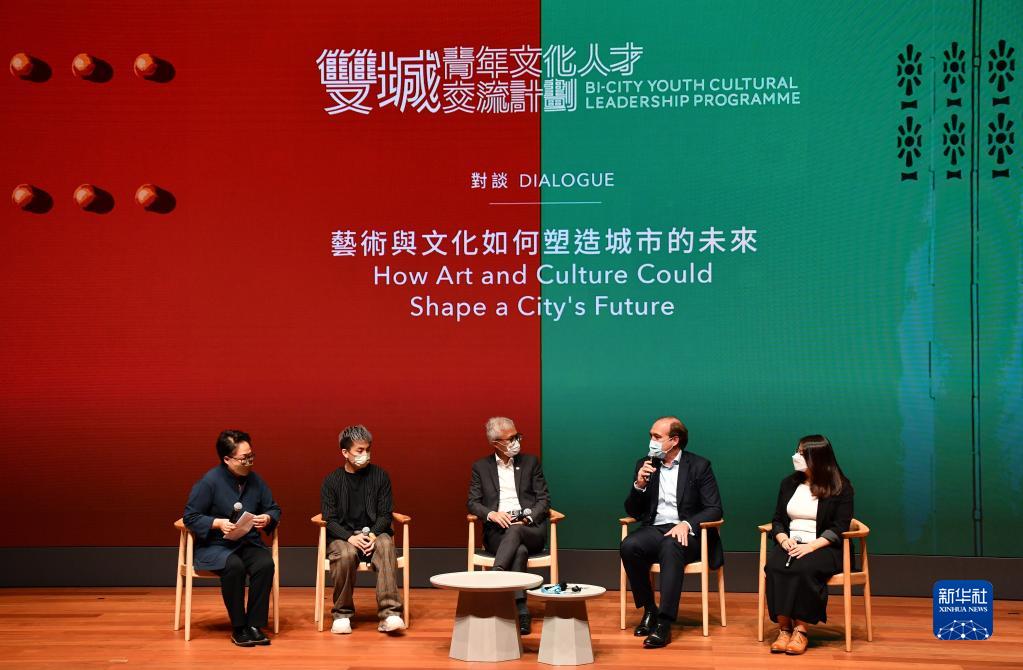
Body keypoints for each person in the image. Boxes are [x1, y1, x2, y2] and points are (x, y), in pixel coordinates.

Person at [619, 416, 723, 648]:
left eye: (657, 437)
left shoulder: (699, 466)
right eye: (651, 436)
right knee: (629, 545)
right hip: (655, 528)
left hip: (690, 535)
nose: (652, 441)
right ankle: (650, 609)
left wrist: (687, 524)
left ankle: (664, 623)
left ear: (674, 440)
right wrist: (639, 485)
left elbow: (714, 508)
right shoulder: (645, 464)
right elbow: (633, 511)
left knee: (671, 544)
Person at [183, 429, 281, 647]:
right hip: (215, 546)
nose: (249, 462)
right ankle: (239, 627)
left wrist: (267, 518)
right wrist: (217, 523)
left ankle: (254, 625)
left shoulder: (256, 480)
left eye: (251, 456)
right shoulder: (209, 482)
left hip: (247, 542)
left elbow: (274, 509)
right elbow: (190, 517)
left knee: (265, 564)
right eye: (243, 458)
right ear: (227, 459)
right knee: (234, 567)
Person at [764, 434, 854, 654]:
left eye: (802, 454)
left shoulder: (841, 487)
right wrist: (783, 539)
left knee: (803, 567)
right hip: (791, 542)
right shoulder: (788, 483)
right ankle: (784, 629)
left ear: (818, 458)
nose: (796, 456)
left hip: (824, 547)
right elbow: (777, 519)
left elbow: (840, 526)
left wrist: (811, 546)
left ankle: (801, 631)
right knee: (774, 566)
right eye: (797, 451)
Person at [467, 416, 551, 635]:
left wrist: (528, 518)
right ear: (495, 443)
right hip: (497, 532)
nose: (516, 442)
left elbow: (544, 500)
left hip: (530, 529)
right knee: (519, 551)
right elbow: (473, 503)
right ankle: (522, 611)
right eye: (510, 439)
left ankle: (495, 576)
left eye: (517, 436)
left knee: (516, 530)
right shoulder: (480, 467)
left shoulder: (531, 462)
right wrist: (492, 514)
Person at [321, 424, 405, 635]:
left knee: (386, 545)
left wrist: (373, 534)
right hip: (343, 537)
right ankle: (342, 615)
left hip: (375, 533)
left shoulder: (380, 476)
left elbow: (385, 514)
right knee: (345, 554)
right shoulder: (331, 481)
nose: (365, 454)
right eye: (359, 450)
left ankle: (390, 614)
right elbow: (329, 519)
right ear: (345, 452)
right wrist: (350, 538)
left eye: (367, 449)